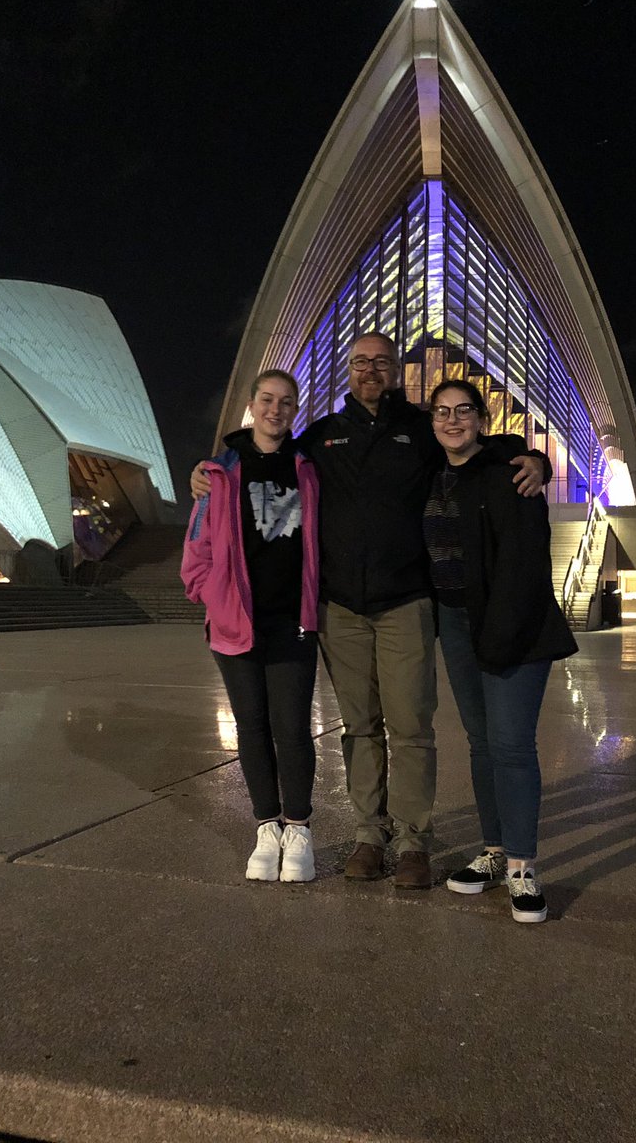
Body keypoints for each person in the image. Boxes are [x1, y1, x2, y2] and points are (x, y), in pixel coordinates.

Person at [191, 333, 549, 889]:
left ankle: (412, 841)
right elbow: (268, 452)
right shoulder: (322, 437)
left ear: (395, 371)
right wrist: (211, 466)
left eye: (381, 362)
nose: (370, 371)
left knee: (410, 727)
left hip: (406, 602)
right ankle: (368, 834)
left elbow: (476, 443)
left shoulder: (421, 431)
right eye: (361, 362)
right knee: (359, 728)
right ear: (349, 370)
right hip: (341, 608)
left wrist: (536, 459)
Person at [423, 380, 577, 923]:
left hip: (512, 623)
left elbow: (526, 560)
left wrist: (539, 461)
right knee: (482, 742)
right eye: (442, 411)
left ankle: (522, 867)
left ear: (482, 419)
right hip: (455, 619)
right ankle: (493, 852)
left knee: (511, 745)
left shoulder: (512, 469)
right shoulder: (430, 472)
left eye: (463, 410)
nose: (452, 420)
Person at [181, 370, 320, 883]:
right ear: (251, 405)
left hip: (292, 620)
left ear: (295, 409)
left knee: (292, 727)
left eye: (286, 402)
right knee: (252, 726)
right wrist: (212, 597)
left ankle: (298, 829)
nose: (275, 410)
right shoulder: (219, 473)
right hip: (236, 621)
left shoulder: (309, 467)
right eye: (267, 399)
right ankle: (266, 826)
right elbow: (197, 546)